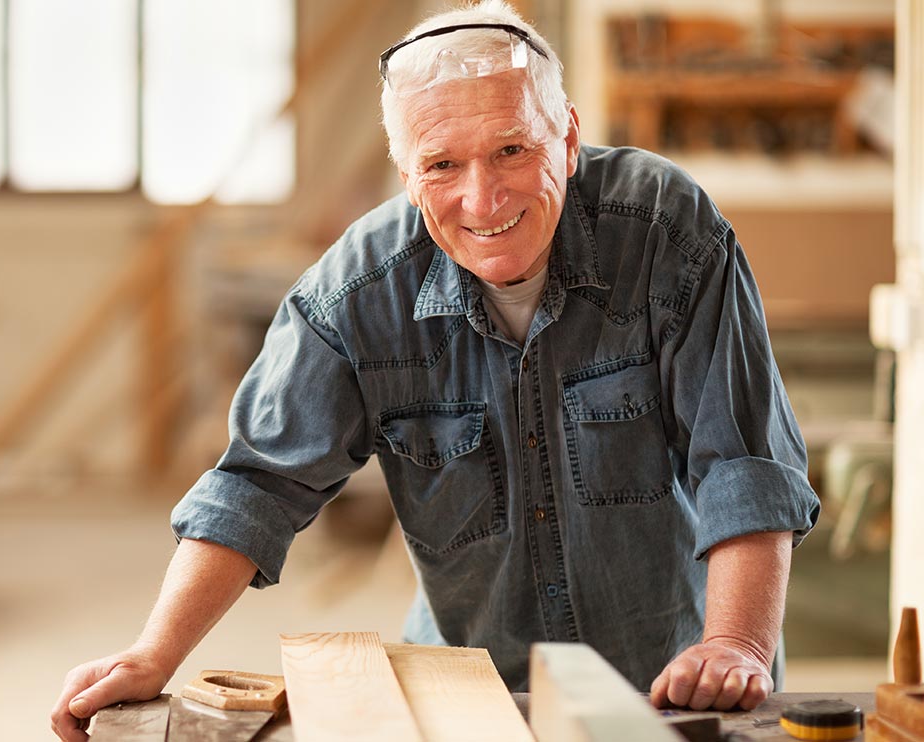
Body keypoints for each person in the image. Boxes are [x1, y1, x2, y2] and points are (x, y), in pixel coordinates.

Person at [51, 2, 820, 738]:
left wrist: (738, 646)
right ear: (405, 172)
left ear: (569, 135)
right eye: (442, 164)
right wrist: (154, 653)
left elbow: (744, 462)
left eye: (512, 150)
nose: (483, 198)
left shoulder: (665, 231)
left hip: (678, 677)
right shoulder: (352, 296)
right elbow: (258, 483)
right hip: (473, 694)